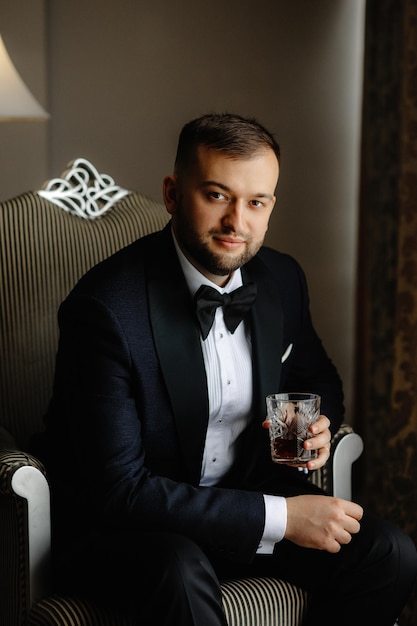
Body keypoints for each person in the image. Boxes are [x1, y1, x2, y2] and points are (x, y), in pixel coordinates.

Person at [41, 112, 417, 625]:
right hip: (129, 530)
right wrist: (282, 517)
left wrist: (315, 427)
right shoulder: (105, 309)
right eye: (216, 195)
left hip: (243, 501)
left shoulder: (282, 277)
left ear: (270, 207)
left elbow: (316, 378)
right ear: (173, 194)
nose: (237, 222)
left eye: (256, 202)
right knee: (178, 568)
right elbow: (119, 491)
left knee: (389, 554)